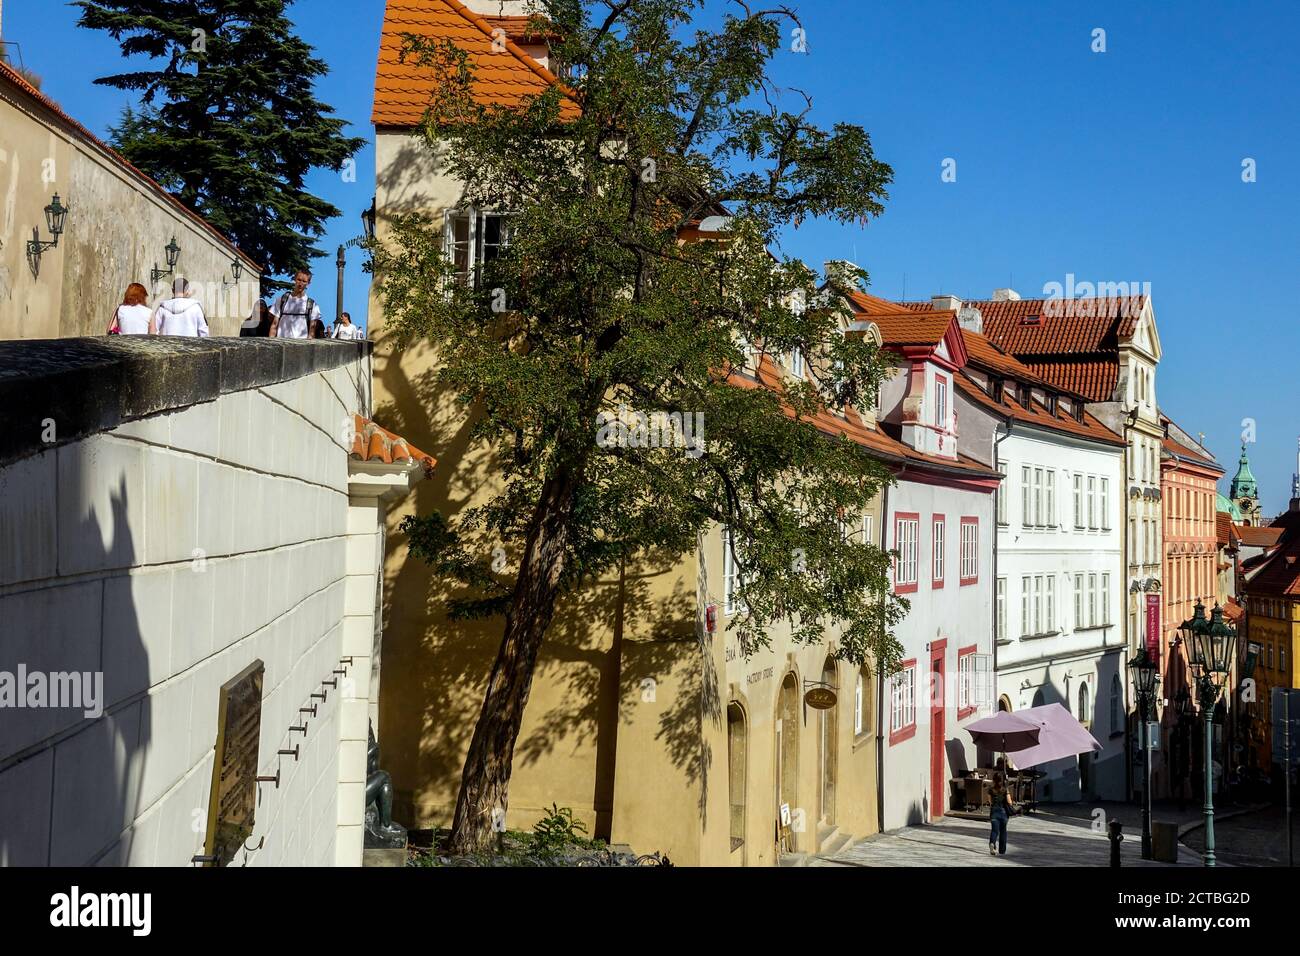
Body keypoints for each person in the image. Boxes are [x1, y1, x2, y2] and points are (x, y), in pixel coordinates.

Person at [270, 268, 321, 339]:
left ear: (308, 283)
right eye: (299, 280)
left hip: (301, 346)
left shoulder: (312, 305)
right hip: (281, 344)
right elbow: (274, 324)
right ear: (294, 279)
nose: (301, 284)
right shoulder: (282, 300)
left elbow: (312, 331)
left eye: (304, 281)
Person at [989, 770, 1011, 856]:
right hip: (1003, 812)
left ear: (993, 780)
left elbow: (990, 801)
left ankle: (992, 843)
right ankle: (1002, 850)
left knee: (994, 830)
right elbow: (1009, 802)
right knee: (1003, 831)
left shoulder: (991, 790)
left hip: (994, 812)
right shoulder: (1005, 790)